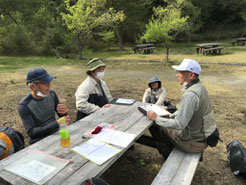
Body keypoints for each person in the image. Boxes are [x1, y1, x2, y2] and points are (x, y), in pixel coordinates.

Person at [141, 59, 217, 159]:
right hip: (202, 137)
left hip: (193, 143)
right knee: (164, 121)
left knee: (156, 126)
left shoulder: (190, 95)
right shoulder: (200, 88)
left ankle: (167, 153)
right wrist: (170, 116)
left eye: (180, 72)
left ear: (191, 75)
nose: (177, 75)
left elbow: (179, 124)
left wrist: (156, 118)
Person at [18, 68, 69, 144]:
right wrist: (56, 123)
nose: (49, 86)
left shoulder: (52, 94)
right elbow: (32, 133)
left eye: (49, 82)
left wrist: (64, 113)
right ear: (33, 86)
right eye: (45, 84)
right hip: (39, 141)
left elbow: (63, 118)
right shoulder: (24, 105)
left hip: (56, 134)